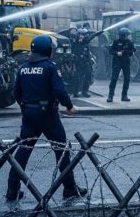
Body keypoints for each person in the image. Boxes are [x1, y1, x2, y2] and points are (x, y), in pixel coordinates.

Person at [5, 35, 87, 201]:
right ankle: (69, 188)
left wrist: (26, 108)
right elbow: (60, 90)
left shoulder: (23, 67)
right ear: (48, 50)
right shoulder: (50, 67)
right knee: (62, 150)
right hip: (48, 115)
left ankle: (12, 190)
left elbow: (16, 92)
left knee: (23, 151)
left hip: (29, 113)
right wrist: (69, 106)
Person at [108, 27, 134, 102]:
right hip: (117, 62)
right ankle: (110, 96)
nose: (127, 37)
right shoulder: (116, 42)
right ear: (123, 35)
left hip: (126, 62)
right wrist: (117, 53)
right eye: (126, 35)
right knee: (114, 78)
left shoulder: (129, 42)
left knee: (127, 79)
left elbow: (133, 50)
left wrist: (130, 53)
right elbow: (111, 51)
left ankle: (124, 95)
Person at [71, 28, 92, 98]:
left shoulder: (86, 43)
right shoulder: (75, 43)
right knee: (78, 77)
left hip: (86, 62)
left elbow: (87, 52)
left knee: (88, 76)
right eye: (80, 34)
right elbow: (73, 52)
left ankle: (85, 91)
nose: (81, 36)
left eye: (83, 35)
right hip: (78, 62)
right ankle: (76, 91)